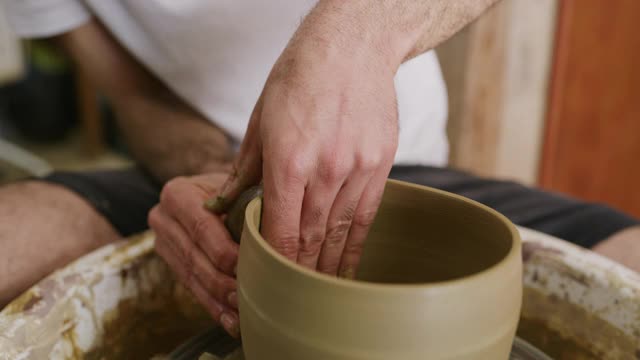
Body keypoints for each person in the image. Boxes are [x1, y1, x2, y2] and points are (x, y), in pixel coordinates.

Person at [0, 0, 638, 338]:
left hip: (390, 166)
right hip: (201, 175)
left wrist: (353, 44)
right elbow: (134, 98)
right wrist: (224, 179)